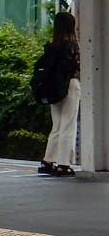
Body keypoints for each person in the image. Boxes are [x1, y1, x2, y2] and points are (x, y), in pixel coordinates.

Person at [41, 12, 81, 177]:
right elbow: (77, 66)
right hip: (70, 85)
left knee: (57, 125)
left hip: (53, 88)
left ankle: (48, 160)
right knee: (68, 125)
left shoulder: (50, 45)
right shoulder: (72, 45)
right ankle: (64, 164)